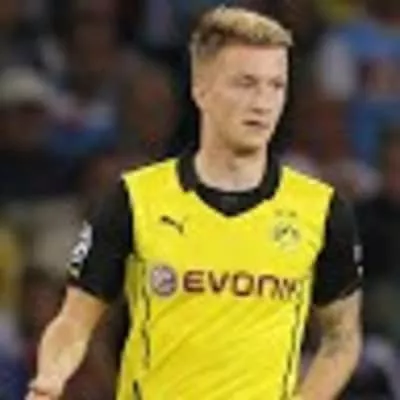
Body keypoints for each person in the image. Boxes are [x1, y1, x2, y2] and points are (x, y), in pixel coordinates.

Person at [26, 6, 363, 400]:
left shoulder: (321, 210)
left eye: (276, 85)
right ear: (200, 88)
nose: (263, 102)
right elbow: (74, 322)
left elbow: (341, 338)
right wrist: (50, 377)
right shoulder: (136, 199)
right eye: (245, 83)